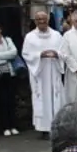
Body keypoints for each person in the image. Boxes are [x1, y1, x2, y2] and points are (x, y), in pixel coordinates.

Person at [22, 10, 65, 139]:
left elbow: (65, 52)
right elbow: (26, 54)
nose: (42, 21)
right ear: (35, 21)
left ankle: (58, 128)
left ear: (48, 20)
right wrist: (40, 54)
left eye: (44, 19)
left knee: (56, 98)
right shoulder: (30, 37)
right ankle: (44, 129)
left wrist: (57, 54)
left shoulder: (57, 35)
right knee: (42, 99)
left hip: (54, 70)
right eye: (39, 19)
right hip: (39, 73)